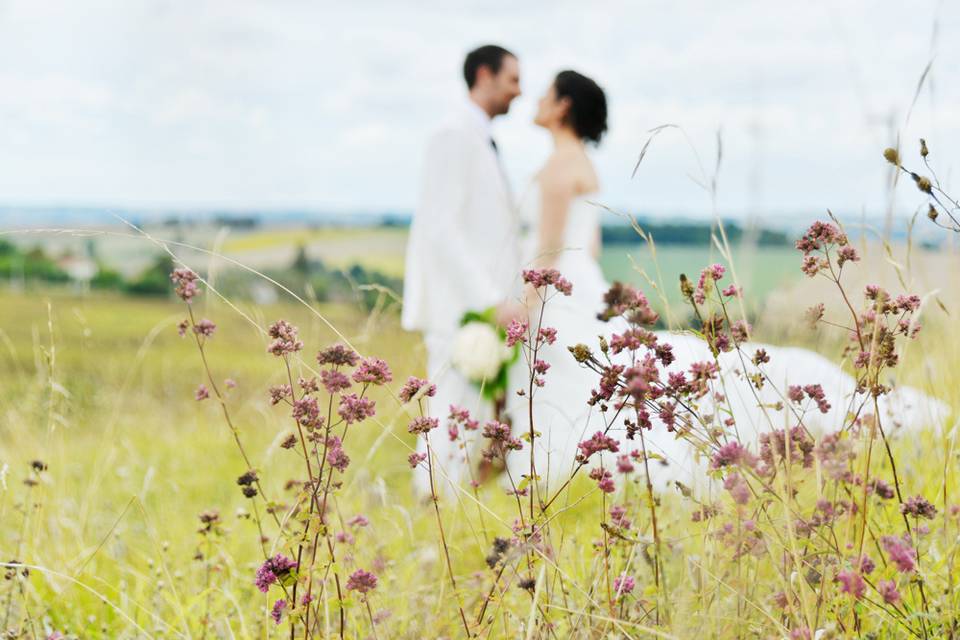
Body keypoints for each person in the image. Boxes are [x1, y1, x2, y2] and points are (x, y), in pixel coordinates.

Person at [500, 70, 948, 494]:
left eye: (545, 94)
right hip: (582, 285)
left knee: (579, 376)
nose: (535, 100)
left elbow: (550, 251)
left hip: (556, 291)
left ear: (563, 106)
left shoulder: (559, 166)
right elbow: (589, 248)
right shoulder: (582, 163)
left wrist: (526, 302)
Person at [402, 44, 525, 495]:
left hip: (479, 306)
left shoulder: (480, 137)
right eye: (513, 79)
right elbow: (441, 228)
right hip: (459, 305)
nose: (519, 90)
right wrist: (489, 300)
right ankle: (434, 507)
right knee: (448, 412)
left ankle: (452, 510)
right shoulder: (453, 134)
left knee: (469, 415)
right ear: (484, 74)